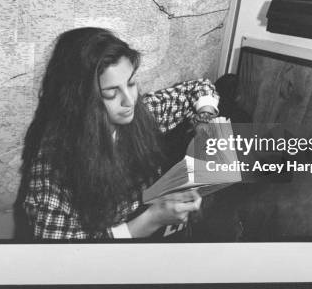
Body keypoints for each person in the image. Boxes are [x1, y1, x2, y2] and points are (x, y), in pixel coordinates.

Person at [18, 27, 219, 240]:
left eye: (131, 83)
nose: (129, 100)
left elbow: (199, 88)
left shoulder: (142, 113)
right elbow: (61, 255)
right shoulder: (54, 164)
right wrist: (152, 219)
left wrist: (204, 120)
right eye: (111, 93)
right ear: (79, 100)